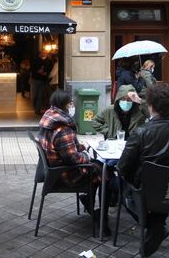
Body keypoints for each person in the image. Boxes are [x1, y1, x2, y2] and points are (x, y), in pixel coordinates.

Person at [117, 83, 169, 256]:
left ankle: (155, 227)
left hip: (148, 196)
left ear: (151, 106)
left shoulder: (141, 133)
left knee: (120, 188)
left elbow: (123, 168)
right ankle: (157, 226)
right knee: (160, 188)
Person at [37, 89, 112, 236]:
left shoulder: (49, 121)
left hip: (54, 170)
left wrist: (80, 146)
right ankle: (101, 217)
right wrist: (85, 155)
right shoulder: (62, 128)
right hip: (65, 174)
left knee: (98, 167)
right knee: (105, 171)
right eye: (70, 103)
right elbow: (72, 159)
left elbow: (64, 148)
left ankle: (88, 201)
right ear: (64, 105)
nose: (73, 106)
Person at [31, 50, 53, 115]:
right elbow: (32, 69)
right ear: (40, 53)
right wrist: (38, 72)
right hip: (36, 79)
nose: (43, 54)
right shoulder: (35, 60)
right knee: (36, 94)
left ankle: (39, 109)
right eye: (42, 53)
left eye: (45, 53)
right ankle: (35, 108)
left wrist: (46, 73)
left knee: (43, 95)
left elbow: (50, 69)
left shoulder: (49, 61)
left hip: (45, 80)